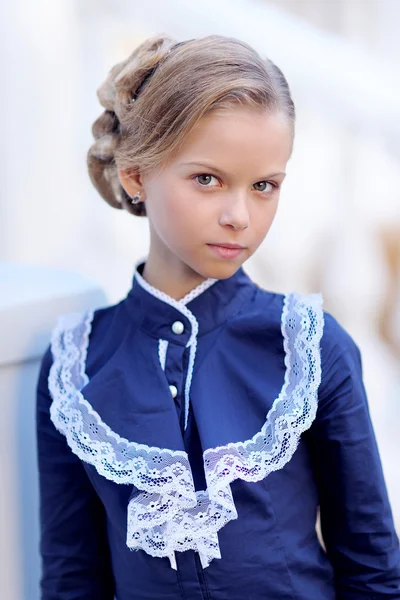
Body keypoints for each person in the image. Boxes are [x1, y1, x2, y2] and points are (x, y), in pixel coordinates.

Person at [36, 34, 400, 600]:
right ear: (135, 175)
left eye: (264, 186)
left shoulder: (311, 348)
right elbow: (71, 576)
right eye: (207, 179)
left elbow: (374, 568)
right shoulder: (74, 366)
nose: (239, 216)